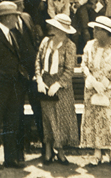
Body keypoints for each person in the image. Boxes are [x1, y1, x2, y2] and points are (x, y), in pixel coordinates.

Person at [0, 1, 30, 169]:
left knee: (12, 121)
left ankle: (10, 158)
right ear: (7, 17)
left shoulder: (13, 34)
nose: (17, 19)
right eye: (15, 16)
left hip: (14, 86)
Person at [80, 15, 111, 167]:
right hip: (92, 87)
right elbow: (84, 64)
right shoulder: (90, 45)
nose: (94, 31)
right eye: (94, 29)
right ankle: (97, 154)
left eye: (97, 29)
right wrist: (92, 80)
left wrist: (105, 81)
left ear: (105, 31)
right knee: (95, 120)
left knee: (110, 120)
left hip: (110, 88)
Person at [35, 14, 78, 165]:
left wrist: (58, 84)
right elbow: (38, 61)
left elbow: (69, 69)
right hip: (46, 84)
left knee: (61, 119)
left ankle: (60, 151)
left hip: (61, 87)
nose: (53, 29)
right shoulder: (46, 41)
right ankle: (48, 150)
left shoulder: (70, 46)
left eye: (57, 27)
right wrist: (39, 80)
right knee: (47, 118)